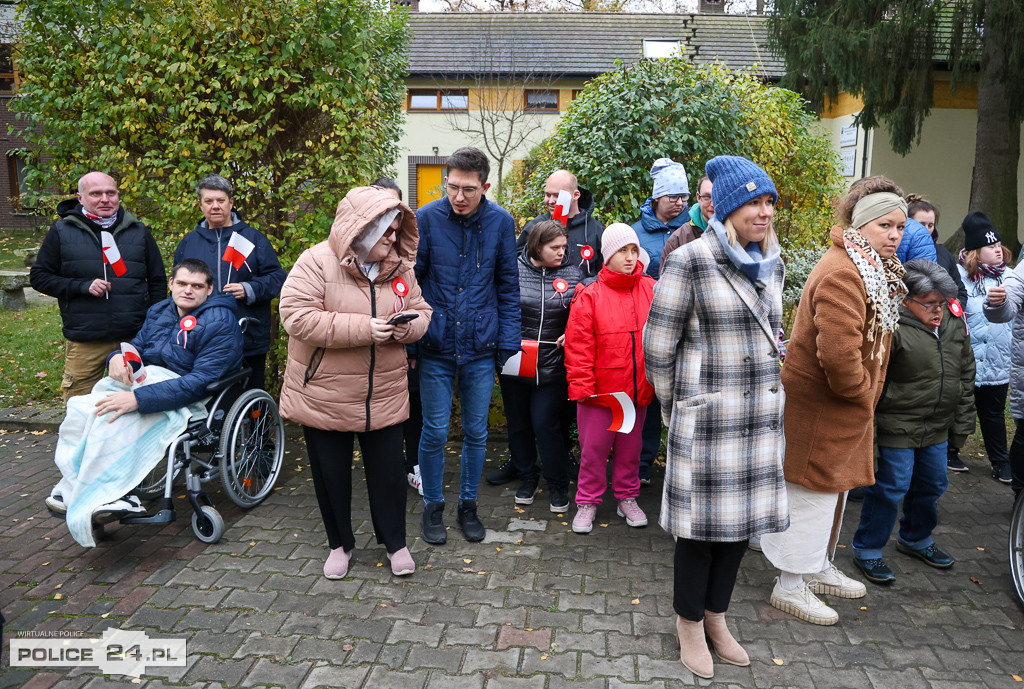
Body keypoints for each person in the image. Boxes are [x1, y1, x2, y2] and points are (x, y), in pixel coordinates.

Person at [643, 155, 787, 679]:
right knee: (700, 534)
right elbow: (657, 346)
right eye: (754, 201)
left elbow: (773, 334)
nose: (765, 212)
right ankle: (687, 624)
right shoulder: (692, 261)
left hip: (759, 418)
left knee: (738, 530)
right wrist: (681, 404)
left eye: (769, 201)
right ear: (727, 208)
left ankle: (716, 618)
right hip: (707, 421)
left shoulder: (773, 261)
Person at [760, 175, 909, 626]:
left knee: (835, 491)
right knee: (811, 494)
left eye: (900, 227)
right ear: (862, 225)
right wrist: (862, 393)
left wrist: (861, 398)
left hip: (844, 410)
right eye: (886, 225)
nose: (895, 235)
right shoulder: (845, 270)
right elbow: (839, 355)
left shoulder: (869, 266)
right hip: (824, 407)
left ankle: (817, 567)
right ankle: (789, 584)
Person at [278, 186, 431, 579]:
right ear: (362, 229)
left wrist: (407, 330)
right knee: (331, 475)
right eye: (387, 232)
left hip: (384, 391)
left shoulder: (401, 268)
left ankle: (395, 543)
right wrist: (366, 329)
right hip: (324, 393)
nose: (394, 239)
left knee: (389, 474)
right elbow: (296, 316)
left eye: (398, 231)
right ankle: (340, 545)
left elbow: (421, 310)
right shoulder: (315, 261)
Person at [45, 258, 243, 519]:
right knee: (81, 411)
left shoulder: (220, 322)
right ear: (171, 284)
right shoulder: (161, 311)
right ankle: (74, 486)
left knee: (116, 419)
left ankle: (116, 494)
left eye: (196, 286)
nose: (187, 290)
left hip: (184, 397)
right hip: (144, 383)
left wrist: (138, 400)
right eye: (182, 283)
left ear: (209, 289)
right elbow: (136, 348)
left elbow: (200, 381)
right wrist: (116, 357)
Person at [414, 146, 521, 544]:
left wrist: (506, 345)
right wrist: (412, 343)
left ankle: (468, 506)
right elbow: (413, 284)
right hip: (436, 345)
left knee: (477, 433)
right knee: (434, 431)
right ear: (446, 181)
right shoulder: (425, 219)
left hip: (480, 347)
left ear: (485, 186)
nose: (459, 197)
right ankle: (433, 507)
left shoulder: (500, 223)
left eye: (469, 190)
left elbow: (508, 287)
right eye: (453, 187)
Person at [851, 260, 975, 584]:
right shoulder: (890, 328)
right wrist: (871, 437)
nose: (938, 310)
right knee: (892, 487)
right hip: (897, 425)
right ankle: (868, 549)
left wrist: (961, 426)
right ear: (906, 300)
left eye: (942, 302)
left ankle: (916, 538)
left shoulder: (953, 322)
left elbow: (966, 372)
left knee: (933, 483)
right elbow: (874, 383)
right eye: (930, 304)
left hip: (937, 425)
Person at [30, 171, 166, 402]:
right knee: (78, 405)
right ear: (80, 198)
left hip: (135, 336)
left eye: (110, 193)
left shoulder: (139, 231)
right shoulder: (62, 232)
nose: (105, 199)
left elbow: (157, 281)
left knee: (136, 404)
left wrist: (153, 323)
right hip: (86, 338)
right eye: (96, 193)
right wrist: (81, 286)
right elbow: (40, 277)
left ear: (118, 196)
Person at [564, 223, 655, 534]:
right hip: (600, 396)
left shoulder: (650, 289)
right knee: (594, 451)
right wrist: (583, 390)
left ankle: (627, 497)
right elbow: (578, 347)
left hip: (635, 392)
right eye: (621, 251)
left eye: (633, 250)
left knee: (630, 450)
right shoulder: (590, 296)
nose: (630, 258)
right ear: (607, 256)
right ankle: (587, 501)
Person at [173, 174, 286, 391]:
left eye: (221, 201)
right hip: (201, 338)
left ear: (231, 203)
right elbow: (177, 287)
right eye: (208, 201)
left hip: (247, 337)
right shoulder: (189, 243)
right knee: (208, 398)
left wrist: (249, 288)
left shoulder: (253, 238)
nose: (215, 206)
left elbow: (277, 279)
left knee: (251, 398)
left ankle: (257, 426)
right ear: (200, 205)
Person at [500, 220, 583, 513]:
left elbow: (585, 312)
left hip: (552, 366)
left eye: (564, 246)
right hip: (516, 360)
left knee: (546, 424)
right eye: (555, 248)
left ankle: (557, 484)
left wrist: (572, 329)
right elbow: (498, 306)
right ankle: (527, 478)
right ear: (537, 246)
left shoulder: (574, 274)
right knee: (519, 424)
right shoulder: (511, 269)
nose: (562, 252)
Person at [630, 158, 690, 487]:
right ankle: (642, 463)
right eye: (673, 197)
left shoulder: (698, 230)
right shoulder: (636, 234)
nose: (680, 203)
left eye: (684, 196)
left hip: (688, 326)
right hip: (646, 324)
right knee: (649, 397)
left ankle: (683, 466)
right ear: (656, 199)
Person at [371, 177, 425, 495]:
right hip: (366, 354)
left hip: (406, 350)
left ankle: (414, 466)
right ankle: (388, 471)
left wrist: (414, 348)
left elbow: (418, 303)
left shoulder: (407, 249)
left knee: (412, 408)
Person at [954, 212, 1014, 482]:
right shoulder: (959, 278)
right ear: (976, 251)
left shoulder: (1012, 278)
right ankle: (949, 451)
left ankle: (1001, 463)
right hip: (966, 359)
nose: (998, 250)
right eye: (991, 246)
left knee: (993, 414)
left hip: (998, 361)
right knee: (959, 408)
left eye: (998, 244)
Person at [516, 169, 605, 279]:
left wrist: (586, 287)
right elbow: (518, 266)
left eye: (557, 196)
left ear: (576, 195)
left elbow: (605, 273)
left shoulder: (596, 230)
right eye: (548, 195)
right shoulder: (535, 227)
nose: (550, 201)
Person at [906, 194, 967, 304]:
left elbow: (960, 292)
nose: (925, 229)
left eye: (930, 225)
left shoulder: (943, 254)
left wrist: (948, 313)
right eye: (921, 224)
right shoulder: (896, 252)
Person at [659, 174, 712, 270]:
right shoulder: (678, 239)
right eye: (707, 197)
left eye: (718, 196)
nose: (713, 203)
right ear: (698, 197)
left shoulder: (739, 232)